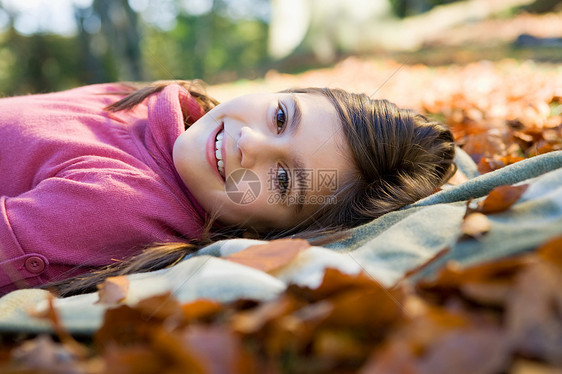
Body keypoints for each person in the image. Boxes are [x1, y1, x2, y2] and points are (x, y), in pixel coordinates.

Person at [0, 80, 456, 295]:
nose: (249, 144)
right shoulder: (169, 104)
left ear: (268, 233)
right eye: (281, 117)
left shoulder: (119, 206)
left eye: (282, 179)